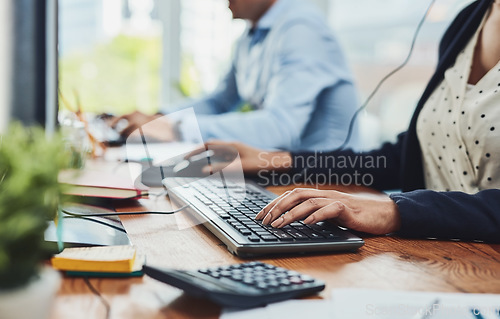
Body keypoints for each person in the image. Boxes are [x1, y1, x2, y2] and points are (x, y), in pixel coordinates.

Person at [193, 0, 500, 243]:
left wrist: (397, 210)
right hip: (434, 253)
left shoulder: (299, 26)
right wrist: (278, 161)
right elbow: (401, 158)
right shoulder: (468, 21)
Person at [110, 0, 360, 152]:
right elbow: (220, 101)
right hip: (285, 176)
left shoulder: (302, 29)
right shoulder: (250, 37)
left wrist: (175, 129)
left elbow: (280, 127)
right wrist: (160, 118)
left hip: (329, 184)